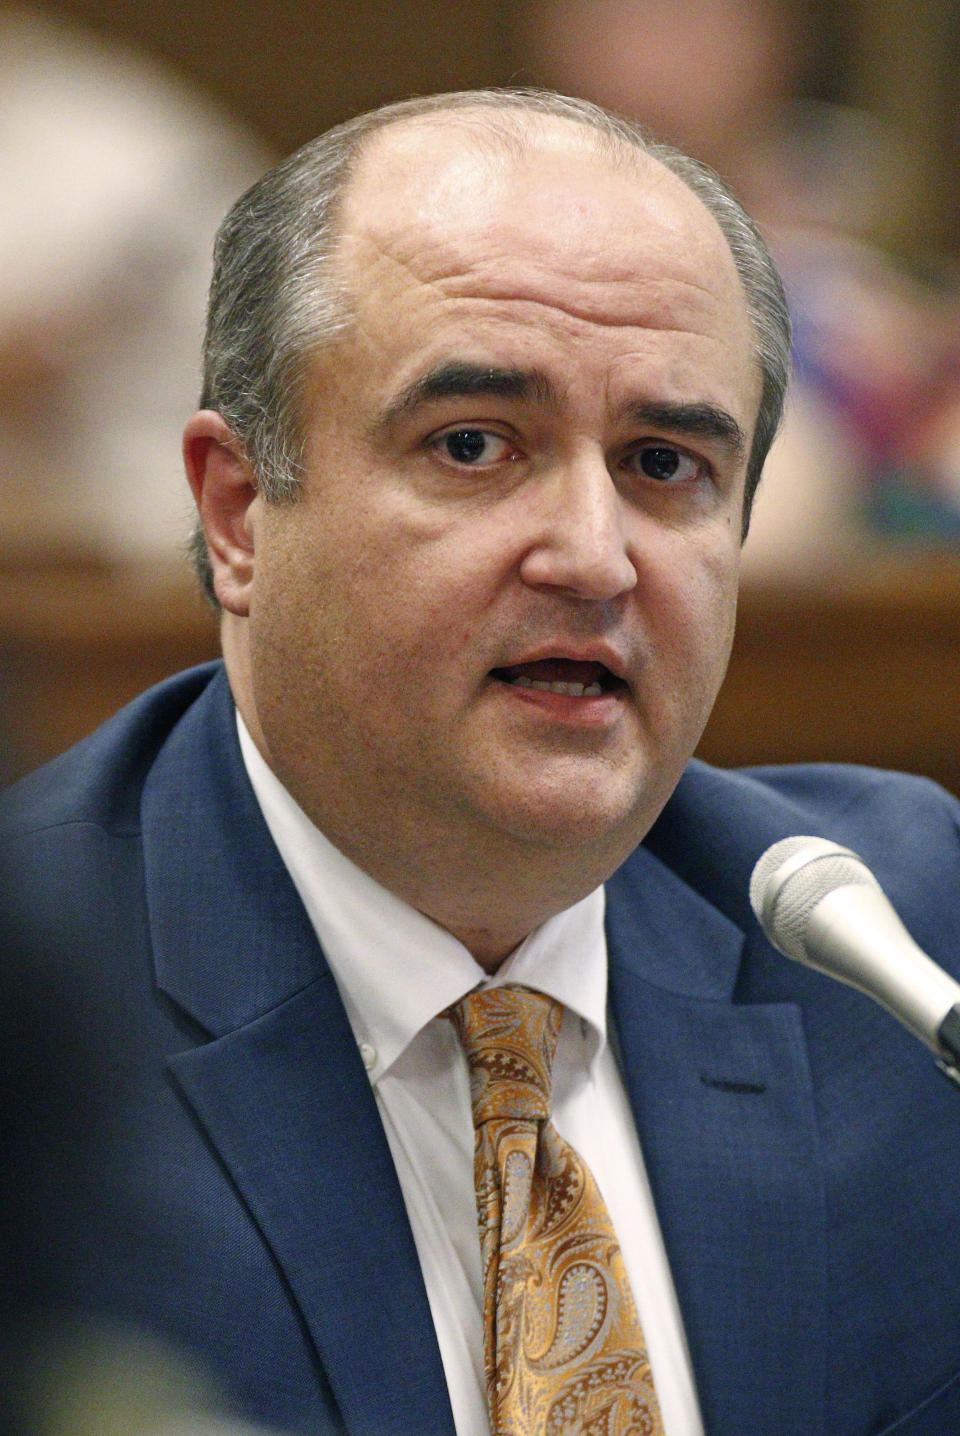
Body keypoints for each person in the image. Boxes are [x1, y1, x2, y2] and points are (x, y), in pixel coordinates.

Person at [2, 89, 959, 1436]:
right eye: (472, 446)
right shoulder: (40, 999)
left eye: (666, 463)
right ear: (237, 513)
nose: (592, 554)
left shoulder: (900, 953)